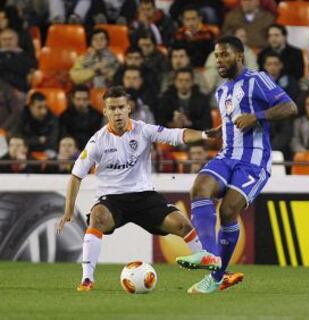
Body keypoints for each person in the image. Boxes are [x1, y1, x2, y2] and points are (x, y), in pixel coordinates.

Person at [56, 85, 221, 292]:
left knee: (182, 224)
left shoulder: (143, 130)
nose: (117, 113)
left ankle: (215, 275)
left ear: (129, 109)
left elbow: (176, 135)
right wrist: (69, 210)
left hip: (144, 197)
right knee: (97, 217)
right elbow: (76, 175)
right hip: (112, 198)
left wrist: (206, 135)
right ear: (105, 111)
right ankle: (87, 279)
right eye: (112, 108)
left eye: (121, 107)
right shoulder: (97, 142)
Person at [176, 36, 298, 294]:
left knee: (229, 211)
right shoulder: (221, 91)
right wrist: (219, 130)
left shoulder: (257, 79)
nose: (219, 60)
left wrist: (258, 116)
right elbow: (234, 121)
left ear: (239, 56)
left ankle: (217, 278)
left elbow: (290, 107)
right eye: (216, 56)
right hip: (227, 155)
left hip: (253, 161)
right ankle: (209, 256)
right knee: (199, 189)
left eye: (224, 55)